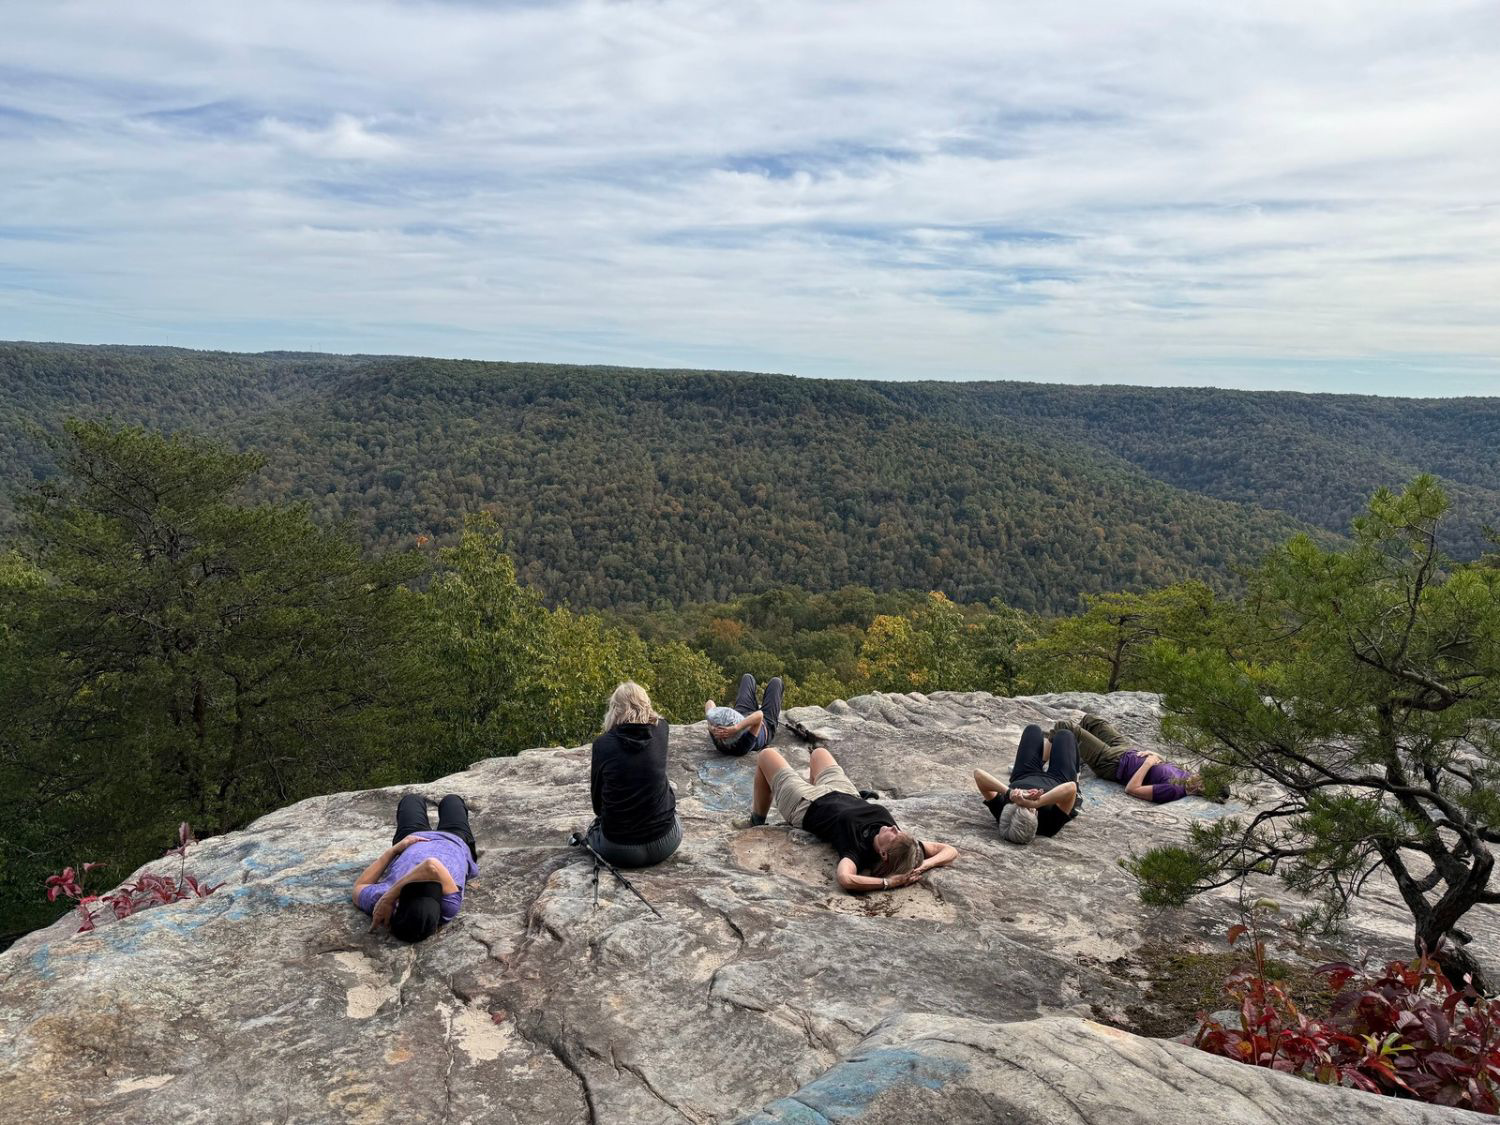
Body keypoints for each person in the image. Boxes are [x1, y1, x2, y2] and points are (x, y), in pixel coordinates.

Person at [742, 745, 958, 892]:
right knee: (819, 752)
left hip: (806, 805)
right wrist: (921, 867)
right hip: (845, 792)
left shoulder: (857, 849)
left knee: (766, 755)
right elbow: (949, 851)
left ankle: (756, 820)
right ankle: (813, 782)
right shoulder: (907, 848)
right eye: (897, 830)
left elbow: (846, 879)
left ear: (883, 854)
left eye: (893, 835)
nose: (893, 828)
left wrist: (888, 882)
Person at [353, 794, 480, 942]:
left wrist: (394, 850)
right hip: (456, 839)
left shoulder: (381, 901)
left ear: (398, 903)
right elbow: (431, 866)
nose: (427, 881)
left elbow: (358, 887)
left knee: (411, 800)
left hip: (411, 838)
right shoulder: (448, 907)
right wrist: (390, 896)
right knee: (452, 800)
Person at [586, 682, 683, 867]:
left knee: (592, 832)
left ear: (615, 709)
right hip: (668, 840)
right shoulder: (662, 729)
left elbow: (598, 807)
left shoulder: (603, 744)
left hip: (620, 850)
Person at [1051, 713, 1212, 803]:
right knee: (1090, 721)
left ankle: (1044, 761)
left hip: (1113, 764)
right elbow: (1164, 764)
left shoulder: (1174, 790)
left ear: (1203, 788)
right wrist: (1156, 756)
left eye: (1203, 778)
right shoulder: (1187, 775)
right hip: (1127, 750)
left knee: (1065, 727)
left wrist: (1148, 763)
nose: (1199, 775)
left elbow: (1132, 789)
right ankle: (1074, 752)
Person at [973, 724, 1082, 843]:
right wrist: (1036, 802)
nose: (1022, 804)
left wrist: (1009, 793)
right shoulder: (1049, 826)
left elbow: (978, 775)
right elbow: (1070, 788)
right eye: (1030, 810)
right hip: (1058, 780)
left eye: (1017, 805)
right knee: (1064, 735)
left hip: (1024, 775)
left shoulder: (1004, 813)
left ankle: (1046, 752)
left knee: (1033, 730)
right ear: (1035, 821)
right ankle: (1054, 747)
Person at [705, 673, 783, 756]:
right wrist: (736, 728)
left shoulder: (718, 736)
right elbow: (759, 715)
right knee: (776, 682)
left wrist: (711, 727)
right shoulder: (742, 746)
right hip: (765, 723)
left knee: (747, 677)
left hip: (742, 713)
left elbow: (709, 703)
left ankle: (740, 716)